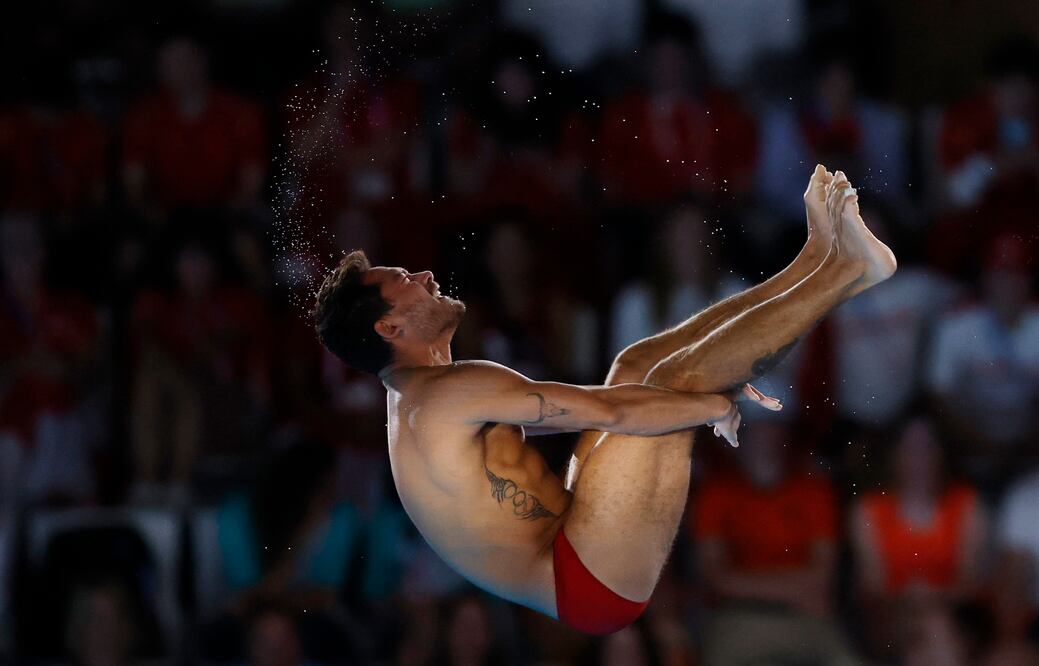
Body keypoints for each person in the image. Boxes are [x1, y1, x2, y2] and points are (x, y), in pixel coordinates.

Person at [312, 165, 896, 634]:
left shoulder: (424, 398)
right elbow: (612, 413)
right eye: (405, 282)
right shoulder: (442, 393)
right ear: (390, 330)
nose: (425, 275)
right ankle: (847, 271)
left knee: (636, 366)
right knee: (677, 381)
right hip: (586, 579)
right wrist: (711, 404)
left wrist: (717, 374)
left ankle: (816, 258)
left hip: (574, 538)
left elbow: (600, 401)